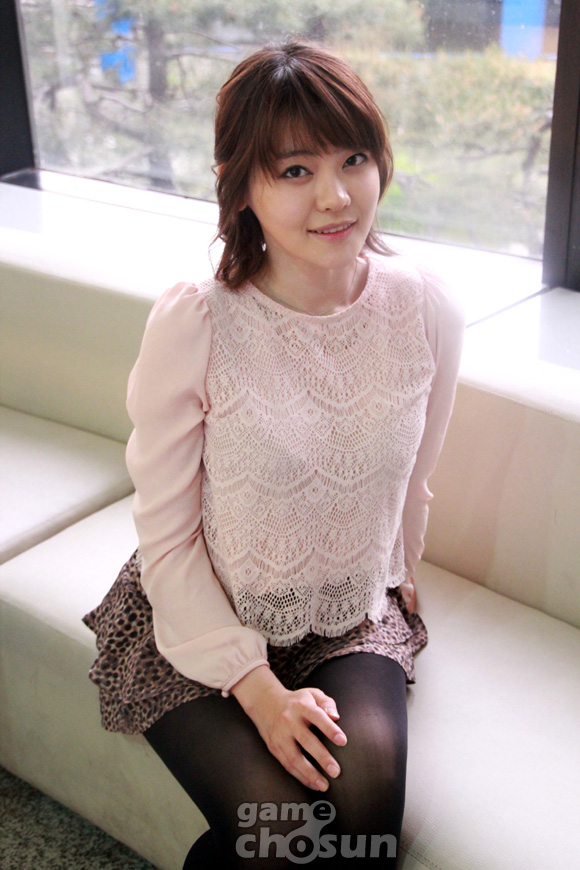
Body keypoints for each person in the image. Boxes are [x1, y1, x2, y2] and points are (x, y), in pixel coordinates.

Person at [83, 40, 464, 868]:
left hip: (350, 614)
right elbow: (167, 536)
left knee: (364, 823)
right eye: (295, 170)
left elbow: (413, 480)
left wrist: (400, 572)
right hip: (200, 612)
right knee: (284, 840)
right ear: (241, 186)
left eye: (354, 159)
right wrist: (256, 689)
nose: (336, 196)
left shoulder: (425, 309)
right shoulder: (198, 323)